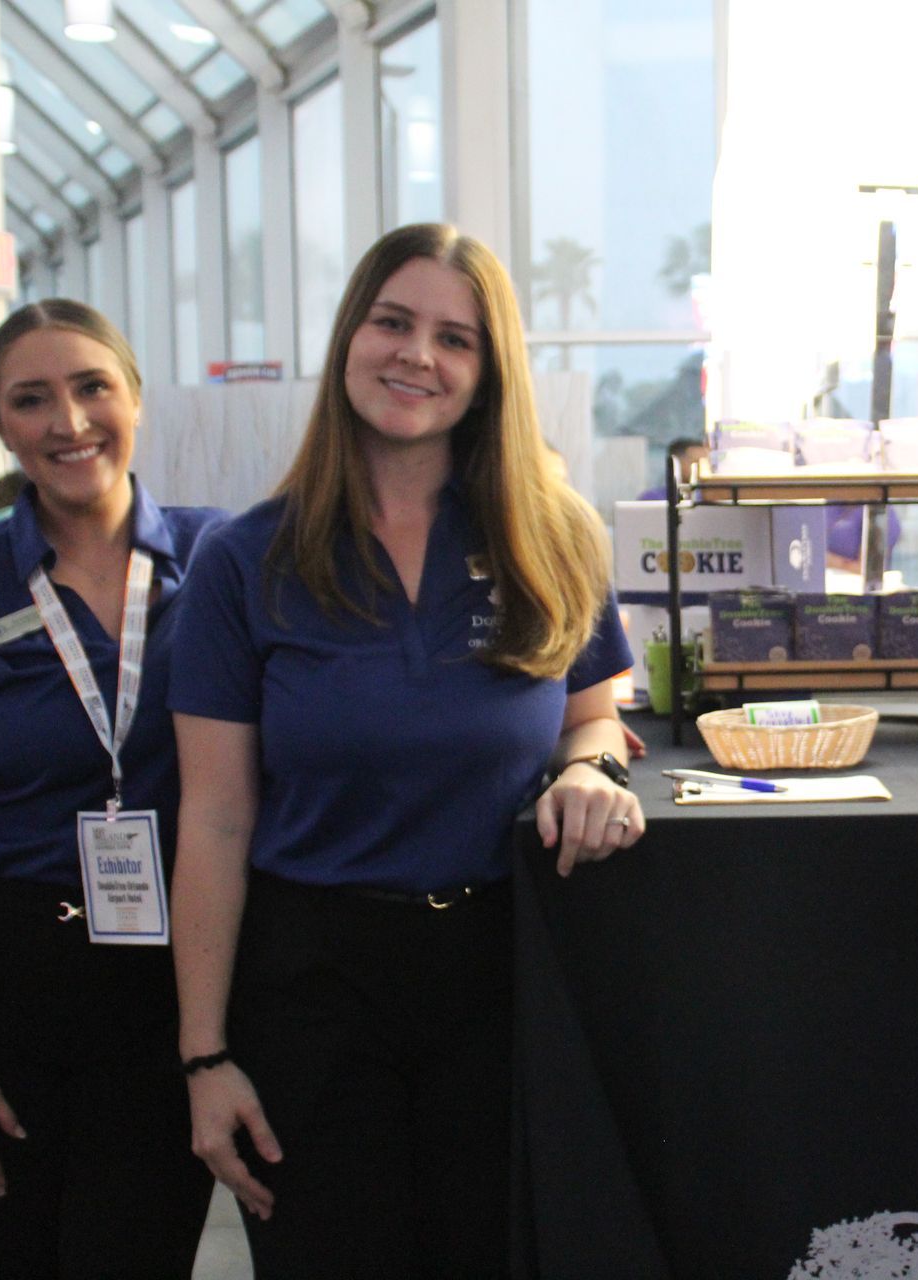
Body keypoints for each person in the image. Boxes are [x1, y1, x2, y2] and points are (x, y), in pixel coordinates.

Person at [169, 222, 640, 1277]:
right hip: (309, 984)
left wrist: (587, 765)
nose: (416, 354)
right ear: (349, 339)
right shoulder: (247, 559)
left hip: (497, 974)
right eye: (391, 321)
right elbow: (211, 817)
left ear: (489, 372)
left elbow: (594, 708)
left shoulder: (550, 537)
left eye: (453, 337)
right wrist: (204, 1052)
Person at [0, 299, 221, 1279]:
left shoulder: (219, 560)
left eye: (92, 386)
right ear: (1, 424)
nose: (68, 421)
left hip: (158, 990)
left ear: (136, 398)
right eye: (31, 399)